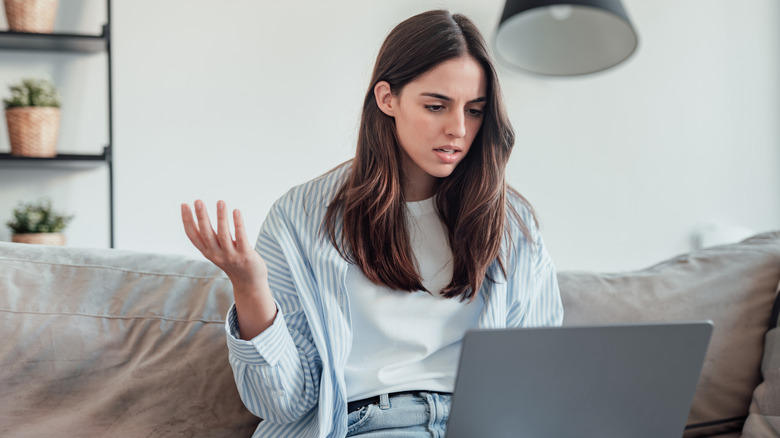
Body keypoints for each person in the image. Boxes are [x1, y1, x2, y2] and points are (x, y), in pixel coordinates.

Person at [181, 9, 562, 438]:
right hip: (370, 424)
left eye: (474, 110)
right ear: (387, 98)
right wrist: (250, 288)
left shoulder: (511, 222)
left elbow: (538, 380)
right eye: (436, 106)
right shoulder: (301, 218)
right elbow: (282, 404)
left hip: (481, 425)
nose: (458, 128)